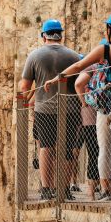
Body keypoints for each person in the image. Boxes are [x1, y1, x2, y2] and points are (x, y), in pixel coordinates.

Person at [43, 13, 111, 201]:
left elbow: (79, 66)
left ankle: (106, 189)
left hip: (108, 106)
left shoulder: (106, 49)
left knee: (104, 147)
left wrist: (57, 78)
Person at [18, 19, 81, 200]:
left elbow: (25, 86)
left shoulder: (35, 56)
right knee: (68, 149)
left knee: (45, 147)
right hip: (70, 108)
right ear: (60, 35)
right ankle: (64, 189)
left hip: (44, 109)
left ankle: (46, 188)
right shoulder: (73, 56)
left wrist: (28, 101)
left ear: (44, 35)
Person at [74, 70, 101, 200]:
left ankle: (93, 190)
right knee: (95, 152)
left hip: (91, 118)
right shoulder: (92, 70)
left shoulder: (94, 70)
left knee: (94, 153)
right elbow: (78, 85)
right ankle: (91, 190)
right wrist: (83, 102)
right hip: (92, 118)